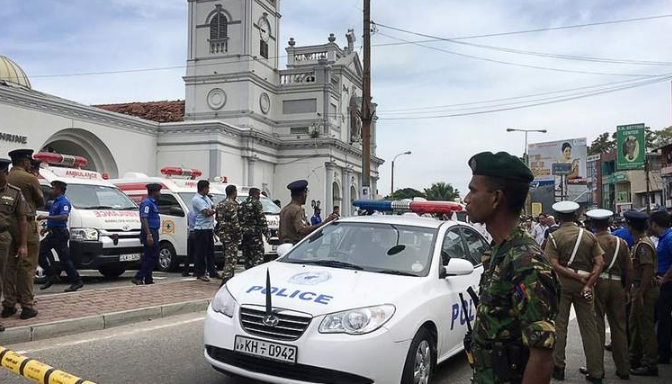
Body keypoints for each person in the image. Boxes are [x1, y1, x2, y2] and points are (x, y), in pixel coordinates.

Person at [464, 151, 559, 384]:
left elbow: (542, 356)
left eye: (473, 190)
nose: (466, 198)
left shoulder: (526, 262)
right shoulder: (498, 250)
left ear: (496, 198)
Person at [545, 201, 605, 383]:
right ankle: (596, 372)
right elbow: (600, 262)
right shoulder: (589, 236)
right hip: (585, 285)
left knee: (560, 326)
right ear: (575, 216)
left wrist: (573, 276)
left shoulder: (554, 237)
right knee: (590, 329)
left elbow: (553, 264)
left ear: (558, 218)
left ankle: (559, 367)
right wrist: (587, 283)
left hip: (562, 286)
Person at [585, 209, 631, 380]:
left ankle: (596, 369)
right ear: (610, 223)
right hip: (617, 283)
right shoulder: (621, 242)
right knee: (619, 326)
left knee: (596, 326)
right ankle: (624, 368)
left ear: (593, 224)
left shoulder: (590, 241)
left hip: (597, 282)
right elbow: (629, 268)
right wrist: (627, 289)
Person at [2, 149, 43, 321]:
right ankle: (27, 305)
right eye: (28, 160)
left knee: (8, 266)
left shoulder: (7, 176)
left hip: (6, 226)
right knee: (27, 265)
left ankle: (9, 304)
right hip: (25, 223)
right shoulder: (29, 178)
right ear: (25, 162)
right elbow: (41, 200)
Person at [625, 210, 659, 376]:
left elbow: (647, 270)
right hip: (638, 289)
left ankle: (650, 363)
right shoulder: (638, 243)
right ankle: (634, 357)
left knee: (646, 327)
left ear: (631, 226)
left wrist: (640, 293)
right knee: (635, 325)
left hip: (644, 289)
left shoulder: (643, 245)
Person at [37, 180, 83, 292]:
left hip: (60, 234)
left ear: (59, 189)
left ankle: (77, 281)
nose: (52, 190)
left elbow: (64, 218)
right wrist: (47, 229)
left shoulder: (64, 202)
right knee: (39, 252)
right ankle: (52, 275)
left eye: (54, 188)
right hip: (53, 233)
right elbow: (56, 220)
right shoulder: (55, 201)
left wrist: (45, 217)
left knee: (65, 260)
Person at [0, 158, 28, 331]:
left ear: (6, 173)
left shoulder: (14, 193)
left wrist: (23, 245)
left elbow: (22, 220)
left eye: (2, 173)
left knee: (1, 278)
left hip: (2, 238)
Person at [279, 180, 335, 245]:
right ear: (303, 194)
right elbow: (302, 230)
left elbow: (280, 233)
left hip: (284, 247)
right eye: (306, 194)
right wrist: (325, 223)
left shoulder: (284, 210)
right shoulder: (298, 210)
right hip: (295, 247)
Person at [650, 211, 672, 364]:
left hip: (667, 284)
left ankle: (663, 353)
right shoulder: (665, 238)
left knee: (664, 319)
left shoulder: (669, 238)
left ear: (655, 225)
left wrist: (665, 278)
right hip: (663, 282)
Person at [131, 183, 162, 285]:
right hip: (149, 231)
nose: (160, 193)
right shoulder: (147, 203)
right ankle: (138, 276)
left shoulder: (153, 202)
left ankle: (148, 279)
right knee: (154, 255)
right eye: (158, 191)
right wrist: (148, 234)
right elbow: (144, 218)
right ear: (154, 192)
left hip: (153, 231)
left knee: (149, 256)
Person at [192, 180, 220, 282]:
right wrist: (214, 210)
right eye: (208, 188)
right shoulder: (197, 199)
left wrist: (213, 209)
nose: (208, 190)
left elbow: (213, 206)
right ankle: (200, 273)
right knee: (201, 252)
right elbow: (206, 213)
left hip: (209, 228)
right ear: (203, 188)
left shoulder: (206, 198)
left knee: (210, 252)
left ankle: (212, 272)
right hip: (201, 229)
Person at [216, 185, 241, 283]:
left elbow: (217, 219)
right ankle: (227, 279)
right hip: (232, 235)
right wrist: (239, 234)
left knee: (227, 255)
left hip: (223, 234)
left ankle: (228, 276)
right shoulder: (232, 204)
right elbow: (235, 222)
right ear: (234, 192)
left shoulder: (220, 204)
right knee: (231, 259)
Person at [239, 187, 268, 270]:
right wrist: (266, 233)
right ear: (255, 194)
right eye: (258, 194)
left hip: (245, 234)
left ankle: (248, 272)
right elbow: (262, 219)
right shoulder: (257, 203)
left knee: (247, 256)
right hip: (255, 234)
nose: (259, 196)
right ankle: (256, 274)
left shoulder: (242, 204)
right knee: (257, 256)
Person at [180, 210, 196, 277]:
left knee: (189, 254)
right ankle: (196, 271)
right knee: (197, 253)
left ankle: (185, 271)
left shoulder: (189, 213)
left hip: (190, 233)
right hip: (197, 232)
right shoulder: (198, 213)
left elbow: (188, 223)